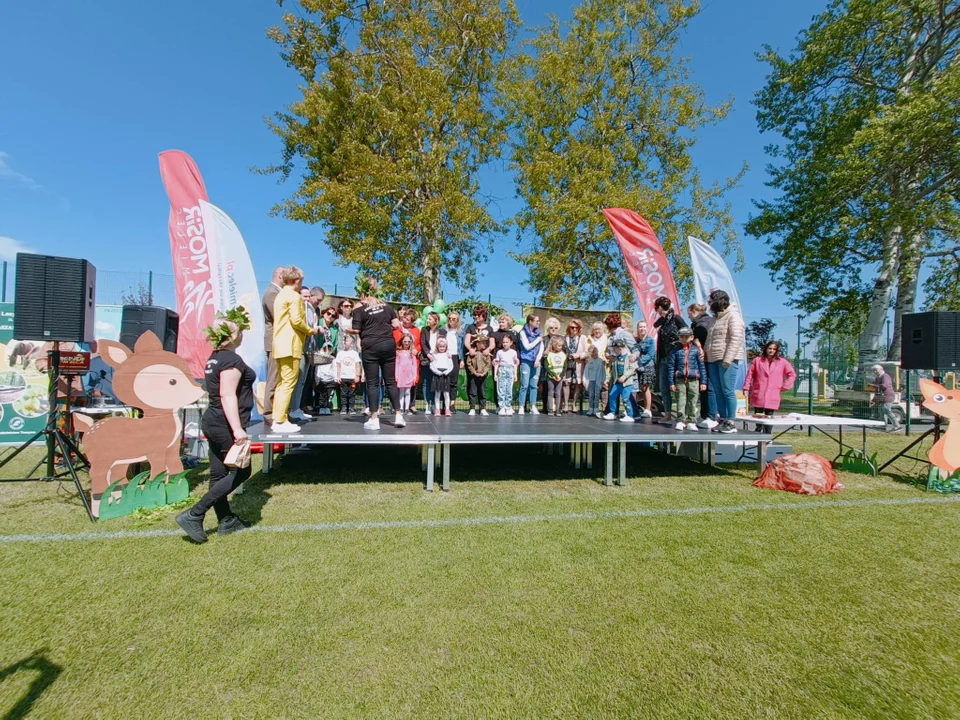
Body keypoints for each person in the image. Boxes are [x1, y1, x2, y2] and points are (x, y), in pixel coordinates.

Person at [176, 309, 255, 543]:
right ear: (232, 336)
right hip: (224, 422)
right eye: (239, 331)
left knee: (219, 473)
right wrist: (238, 429)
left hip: (212, 420)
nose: (242, 335)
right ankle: (195, 513)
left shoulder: (214, 357)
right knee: (242, 471)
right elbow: (227, 395)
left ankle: (226, 520)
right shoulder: (232, 360)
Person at [350, 277, 404, 430]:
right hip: (388, 344)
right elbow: (396, 324)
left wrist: (346, 329)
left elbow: (356, 330)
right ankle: (399, 415)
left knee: (372, 383)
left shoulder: (359, 309)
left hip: (371, 346)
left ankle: (374, 418)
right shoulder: (387, 307)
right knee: (390, 381)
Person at [271, 266, 316, 433]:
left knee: (283, 383)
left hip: (280, 344)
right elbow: (296, 320)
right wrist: (311, 330)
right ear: (297, 280)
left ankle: (278, 418)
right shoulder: (294, 297)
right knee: (289, 382)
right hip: (291, 344)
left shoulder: (280, 294)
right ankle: (281, 421)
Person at [704, 289, 745, 434]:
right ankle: (722, 419)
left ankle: (731, 421)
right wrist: (706, 354)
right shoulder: (715, 318)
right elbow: (710, 339)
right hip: (713, 358)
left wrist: (728, 358)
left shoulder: (733, 315)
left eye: (711, 300)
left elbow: (736, 338)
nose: (709, 303)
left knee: (728, 390)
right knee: (717, 390)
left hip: (727, 359)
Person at [289, 285, 321, 421]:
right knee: (297, 379)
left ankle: (298, 408)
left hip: (309, 347)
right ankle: (292, 409)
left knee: (302, 381)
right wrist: (311, 330)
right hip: (300, 347)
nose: (307, 299)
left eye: (309, 296)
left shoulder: (312, 310)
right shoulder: (298, 308)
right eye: (305, 296)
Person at [668, 327, 708, 431]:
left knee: (693, 400)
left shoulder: (696, 351)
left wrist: (703, 381)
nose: (684, 339)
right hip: (680, 379)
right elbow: (671, 367)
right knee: (680, 400)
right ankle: (681, 420)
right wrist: (671, 382)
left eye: (686, 337)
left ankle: (691, 421)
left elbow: (701, 366)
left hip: (694, 379)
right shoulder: (675, 351)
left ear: (691, 337)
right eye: (681, 336)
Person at [744, 341, 797, 417]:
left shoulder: (782, 362)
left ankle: (767, 429)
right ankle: (758, 429)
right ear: (766, 348)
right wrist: (746, 388)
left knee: (769, 418)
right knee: (758, 418)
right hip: (759, 393)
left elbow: (792, 374)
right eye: (770, 348)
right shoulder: (757, 360)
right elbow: (750, 375)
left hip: (773, 394)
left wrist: (786, 385)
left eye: (774, 349)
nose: (771, 350)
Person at [653, 297, 683, 424]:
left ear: (660, 307)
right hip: (663, 357)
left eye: (656, 308)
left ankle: (682, 416)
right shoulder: (663, 321)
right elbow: (655, 325)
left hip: (675, 356)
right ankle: (668, 414)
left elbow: (687, 333)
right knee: (664, 387)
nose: (656, 311)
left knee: (677, 387)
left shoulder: (676, 318)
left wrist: (677, 345)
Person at [260, 266, 284, 425]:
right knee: (273, 378)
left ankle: (278, 412)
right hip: (274, 341)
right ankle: (268, 414)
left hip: (280, 341)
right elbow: (279, 316)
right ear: (280, 276)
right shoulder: (271, 293)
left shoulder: (276, 293)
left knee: (280, 378)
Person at [688, 303, 718, 429]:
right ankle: (704, 414)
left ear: (695, 311)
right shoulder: (697, 324)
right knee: (703, 388)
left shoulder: (703, 324)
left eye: (689, 314)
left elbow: (703, 341)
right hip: (702, 360)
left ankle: (712, 415)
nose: (689, 317)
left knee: (708, 386)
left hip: (707, 359)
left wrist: (699, 348)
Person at [464, 305, 496, 416]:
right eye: (475, 315)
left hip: (484, 360)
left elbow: (492, 343)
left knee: (482, 385)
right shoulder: (470, 327)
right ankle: (472, 407)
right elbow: (467, 341)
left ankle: (482, 408)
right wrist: (470, 349)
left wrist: (488, 349)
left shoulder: (489, 329)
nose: (476, 317)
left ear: (483, 316)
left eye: (478, 315)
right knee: (472, 384)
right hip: (473, 359)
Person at [603, 339, 637, 422]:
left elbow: (633, 369)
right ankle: (613, 412)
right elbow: (614, 371)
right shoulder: (617, 358)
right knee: (612, 395)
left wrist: (625, 376)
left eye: (616, 348)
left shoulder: (629, 357)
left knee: (626, 398)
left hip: (626, 383)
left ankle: (630, 415)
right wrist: (608, 379)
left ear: (621, 348)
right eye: (614, 348)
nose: (614, 350)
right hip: (617, 382)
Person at [419, 312, 446, 414]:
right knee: (426, 382)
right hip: (427, 359)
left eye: (430, 319)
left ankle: (435, 404)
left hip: (438, 360)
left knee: (436, 382)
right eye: (428, 319)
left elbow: (444, 344)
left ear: (436, 321)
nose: (428, 321)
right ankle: (427, 404)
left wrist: (438, 355)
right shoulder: (424, 330)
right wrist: (428, 354)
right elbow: (423, 343)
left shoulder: (442, 331)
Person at [517, 314, 544, 415]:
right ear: (530, 321)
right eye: (536, 321)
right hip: (526, 361)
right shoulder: (523, 333)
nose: (538, 322)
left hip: (536, 362)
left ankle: (533, 405)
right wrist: (537, 340)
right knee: (524, 384)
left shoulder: (539, 333)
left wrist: (538, 359)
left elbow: (541, 347)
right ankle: (521, 406)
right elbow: (527, 347)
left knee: (534, 385)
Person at [561, 320, 587, 413]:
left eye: (577, 327)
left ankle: (574, 404)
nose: (574, 329)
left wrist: (579, 355)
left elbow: (587, 351)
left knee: (577, 384)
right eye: (572, 327)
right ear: (569, 328)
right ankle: (566, 405)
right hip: (567, 363)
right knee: (566, 383)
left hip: (578, 363)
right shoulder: (564, 337)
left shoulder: (583, 338)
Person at [335, 335, 362, 415]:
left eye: (347, 341)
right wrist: (338, 376)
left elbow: (357, 365)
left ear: (352, 344)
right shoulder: (340, 353)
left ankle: (351, 407)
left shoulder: (354, 354)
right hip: (343, 377)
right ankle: (343, 407)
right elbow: (338, 365)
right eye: (344, 341)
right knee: (343, 393)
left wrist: (357, 375)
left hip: (352, 377)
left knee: (352, 393)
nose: (344, 342)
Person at [634, 320, 656, 419]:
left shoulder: (651, 340)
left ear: (646, 328)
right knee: (635, 389)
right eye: (640, 327)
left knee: (645, 388)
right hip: (635, 367)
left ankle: (648, 409)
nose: (642, 328)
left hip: (647, 366)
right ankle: (636, 407)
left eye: (644, 327)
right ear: (637, 329)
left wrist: (638, 361)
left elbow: (650, 355)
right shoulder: (634, 340)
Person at [429, 336, 456, 415]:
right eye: (440, 346)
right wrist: (437, 372)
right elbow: (432, 366)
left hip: (445, 375)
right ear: (437, 346)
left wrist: (447, 372)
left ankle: (447, 409)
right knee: (437, 393)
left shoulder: (448, 355)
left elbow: (451, 366)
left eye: (443, 346)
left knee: (446, 393)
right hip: (437, 375)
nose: (442, 348)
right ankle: (437, 410)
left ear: (446, 347)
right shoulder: (435, 355)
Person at [494, 334, 519, 415]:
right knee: (501, 389)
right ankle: (501, 407)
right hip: (502, 370)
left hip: (510, 370)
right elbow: (496, 364)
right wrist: (495, 374)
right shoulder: (499, 352)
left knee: (509, 389)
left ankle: (508, 406)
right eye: (503, 342)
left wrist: (515, 374)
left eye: (507, 342)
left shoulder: (514, 352)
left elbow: (515, 364)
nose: (505, 344)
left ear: (511, 343)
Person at [871, 364, 900, 432]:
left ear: (881, 369)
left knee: (887, 410)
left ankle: (897, 425)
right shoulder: (878, 378)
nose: (875, 372)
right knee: (881, 411)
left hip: (887, 396)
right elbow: (877, 389)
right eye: (874, 371)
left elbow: (884, 386)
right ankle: (883, 425)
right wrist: (874, 399)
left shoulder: (885, 376)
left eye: (876, 370)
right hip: (881, 397)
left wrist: (875, 385)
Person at [446, 310, 466, 410]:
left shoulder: (461, 332)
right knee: (445, 380)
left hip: (455, 356)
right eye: (449, 318)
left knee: (453, 381)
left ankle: (452, 403)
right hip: (445, 357)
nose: (451, 320)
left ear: (457, 320)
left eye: (454, 319)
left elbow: (462, 347)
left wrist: (461, 359)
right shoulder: (443, 330)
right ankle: (445, 403)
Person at [395, 334, 419, 414]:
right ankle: (401, 408)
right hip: (401, 374)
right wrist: (396, 375)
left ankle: (407, 408)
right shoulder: (399, 353)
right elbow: (397, 364)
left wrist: (415, 375)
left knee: (408, 391)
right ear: (401, 341)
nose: (406, 343)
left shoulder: (411, 353)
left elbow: (414, 365)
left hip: (409, 374)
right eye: (405, 341)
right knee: (401, 391)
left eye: (408, 341)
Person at [544, 336, 567, 416]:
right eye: (559, 346)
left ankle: (557, 409)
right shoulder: (549, 355)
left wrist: (560, 376)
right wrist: (553, 375)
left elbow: (564, 366)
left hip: (559, 378)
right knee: (550, 393)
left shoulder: (563, 354)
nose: (561, 347)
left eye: (561, 346)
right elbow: (546, 366)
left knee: (558, 393)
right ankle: (550, 409)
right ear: (554, 345)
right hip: (551, 377)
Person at [314, 340, 338, 415]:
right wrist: (316, 379)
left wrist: (336, 378)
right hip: (322, 379)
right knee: (322, 395)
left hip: (330, 380)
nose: (328, 350)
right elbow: (317, 369)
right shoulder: (320, 358)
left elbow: (335, 369)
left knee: (329, 395)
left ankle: (327, 407)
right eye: (326, 348)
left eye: (330, 348)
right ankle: (322, 407)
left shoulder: (333, 359)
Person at [582, 346, 607, 417]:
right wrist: (584, 379)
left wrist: (603, 379)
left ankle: (596, 408)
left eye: (596, 354)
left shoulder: (600, 361)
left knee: (597, 394)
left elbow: (603, 371)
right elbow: (585, 372)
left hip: (598, 380)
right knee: (591, 394)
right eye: (593, 355)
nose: (595, 356)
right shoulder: (589, 361)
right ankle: (590, 408)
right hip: (590, 380)